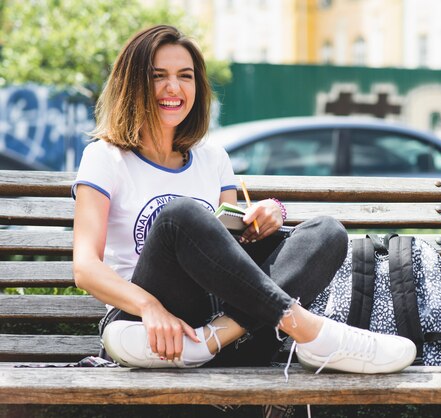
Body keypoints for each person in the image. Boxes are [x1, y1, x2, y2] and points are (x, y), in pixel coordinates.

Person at [72, 24, 416, 375]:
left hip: (217, 316)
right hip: (144, 327)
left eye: (185, 76)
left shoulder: (213, 157)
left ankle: (214, 339)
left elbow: (228, 254)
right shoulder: (105, 157)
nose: (173, 87)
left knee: (326, 233)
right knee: (181, 217)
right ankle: (310, 331)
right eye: (158, 76)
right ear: (132, 84)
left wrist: (265, 218)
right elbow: (85, 268)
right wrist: (148, 307)